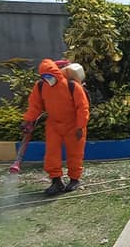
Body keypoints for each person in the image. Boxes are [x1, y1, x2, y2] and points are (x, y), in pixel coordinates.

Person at [22, 58, 90, 195]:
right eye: (44, 77)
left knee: (75, 153)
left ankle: (74, 179)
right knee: (51, 154)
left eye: (50, 76)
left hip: (73, 124)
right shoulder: (41, 86)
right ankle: (56, 181)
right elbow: (35, 106)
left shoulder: (72, 86)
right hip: (53, 124)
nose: (48, 79)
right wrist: (28, 120)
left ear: (57, 73)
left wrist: (80, 126)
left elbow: (82, 108)